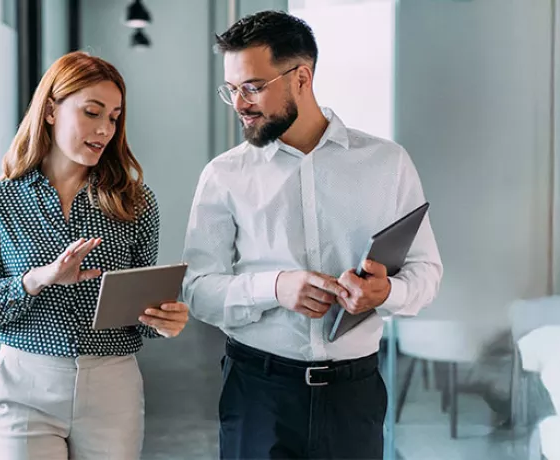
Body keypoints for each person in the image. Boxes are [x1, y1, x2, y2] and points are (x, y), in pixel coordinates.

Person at [181, 11, 443, 459]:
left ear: (301, 77)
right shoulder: (224, 175)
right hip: (258, 394)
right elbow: (197, 291)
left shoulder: (387, 163)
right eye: (232, 90)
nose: (240, 103)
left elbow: (427, 273)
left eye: (253, 87)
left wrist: (385, 293)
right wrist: (276, 288)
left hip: (354, 395)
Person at [0, 51, 190, 460]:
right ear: (51, 110)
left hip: (111, 386)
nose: (105, 129)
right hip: (24, 384)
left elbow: (141, 316)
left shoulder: (136, 203)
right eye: (92, 112)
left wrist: (164, 321)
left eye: (114, 117)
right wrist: (38, 278)